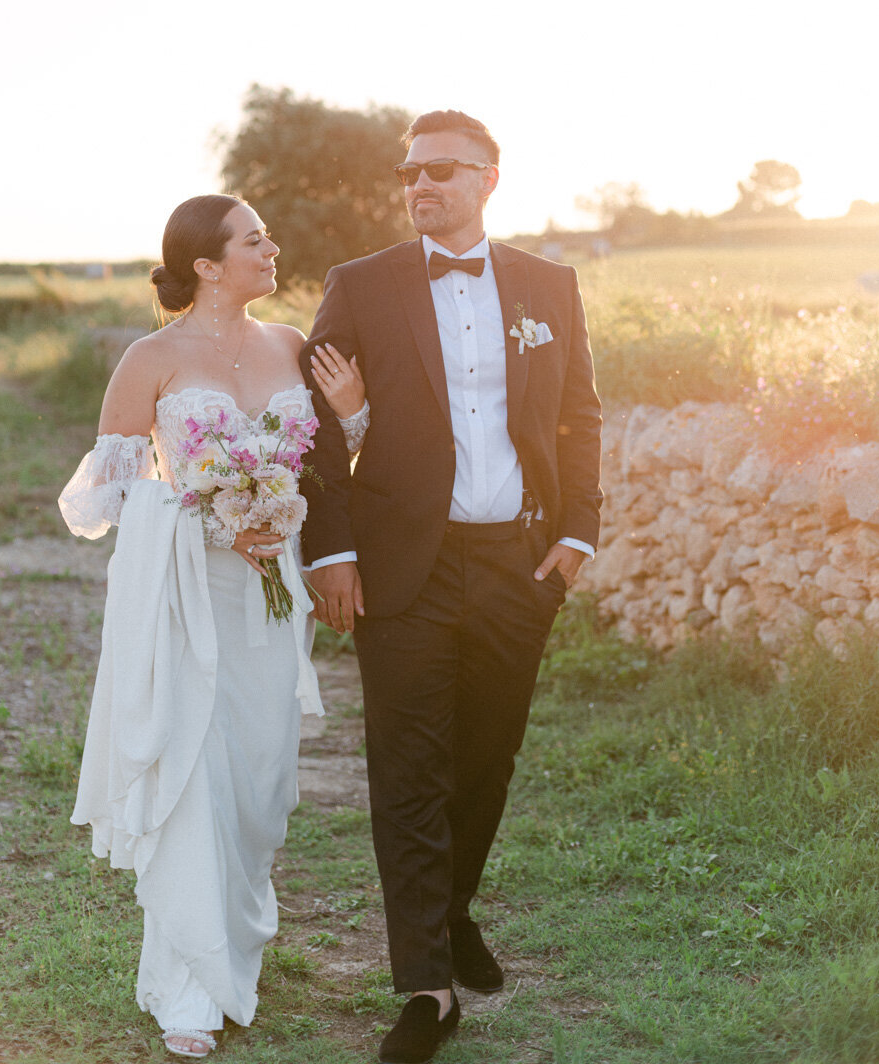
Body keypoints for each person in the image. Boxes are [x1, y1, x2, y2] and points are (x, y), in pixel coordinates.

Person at [299, 110, 603, 1064]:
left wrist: (578, 534)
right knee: (407, 770)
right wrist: (331, 552)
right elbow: (312, 429)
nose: (419, 185)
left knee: (488, 758)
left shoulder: (550, 285)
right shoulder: (360, 286)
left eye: (439, 170)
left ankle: (453, 908)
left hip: (518, 564)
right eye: (408, 172)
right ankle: (426, 986)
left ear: (489, 178)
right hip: (404, 570)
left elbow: (580, 416)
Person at [58, 194, 366, 1059]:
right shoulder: (150, 359)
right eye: (256, 238)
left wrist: (353, 417)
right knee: (195, 771)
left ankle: (237, 928)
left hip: (272, 596)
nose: (274, 248)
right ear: (206, 263)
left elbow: (330, 469)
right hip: (185, 594)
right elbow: (104, 501)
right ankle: (188, 989)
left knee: (260, 778)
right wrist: (206, 513)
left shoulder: (294, 347)